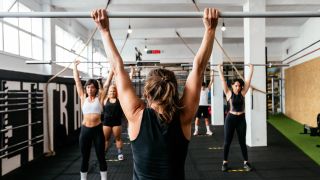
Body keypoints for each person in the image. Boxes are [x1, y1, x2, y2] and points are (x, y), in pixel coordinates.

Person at [92, 8, 219, 179]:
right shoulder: (183, 116)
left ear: (147, 93)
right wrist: (210, 30)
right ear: (174, 90)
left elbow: (117, 67)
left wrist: (104, 30)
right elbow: (199, 66)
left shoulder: (136, 115)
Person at [73, 60, 111, 180]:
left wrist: (112, 69)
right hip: (85, 131)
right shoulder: (82, 97)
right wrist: (74, 66)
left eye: (92, 87)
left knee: (101, 157)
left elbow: (107, 83)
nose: (90, 89)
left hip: (97, 131)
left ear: (96, 89)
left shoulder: (100, 98)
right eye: (88, 87)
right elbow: (77, 81)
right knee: (85, 157)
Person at [217, 64, 254, 172]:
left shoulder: (243, 93)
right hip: (230, 119)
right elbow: (223, 80)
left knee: (242, 142)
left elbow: (248, 80)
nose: (238, 87)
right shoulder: (228, 93)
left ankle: (246, 162)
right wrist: (219, 69)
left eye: (239, 85)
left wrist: (251, 69)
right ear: (232, 86)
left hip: (241, 119)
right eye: (236, 85)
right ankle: (224, 162)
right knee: (227, 142)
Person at [102, 71, 125, 161]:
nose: (112, 92)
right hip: (106, 122)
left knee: (118, 139)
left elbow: (123, 88)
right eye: (111, 90)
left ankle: (120, 153)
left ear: (116, 92)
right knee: (106, 139)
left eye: (114, 90)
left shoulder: (119, 99)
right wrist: (111, 74)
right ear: (108, 92)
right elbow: (105, 86)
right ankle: (103, 154)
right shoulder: (105, 99)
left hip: (116, 122)